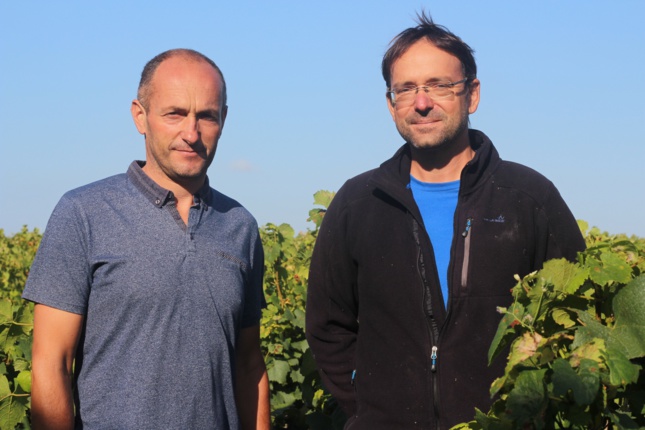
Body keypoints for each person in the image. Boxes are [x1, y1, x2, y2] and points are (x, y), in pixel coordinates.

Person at [305, 13, 585, 430]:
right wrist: (370, 409)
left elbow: (576, 317)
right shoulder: (357, 204)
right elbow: (328, 327)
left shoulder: (529, 198)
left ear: (472, 94)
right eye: (406, 89)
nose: (422, 102)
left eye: (438, 86)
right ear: (390, 104)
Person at [23, 49, 270, 429]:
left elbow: (249, 364)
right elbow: (51, 361)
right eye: (175, 114)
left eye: (206, 115)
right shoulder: (83, 213)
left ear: (224, 119)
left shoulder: (240, 226)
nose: (192, 133)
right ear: (140, 116)